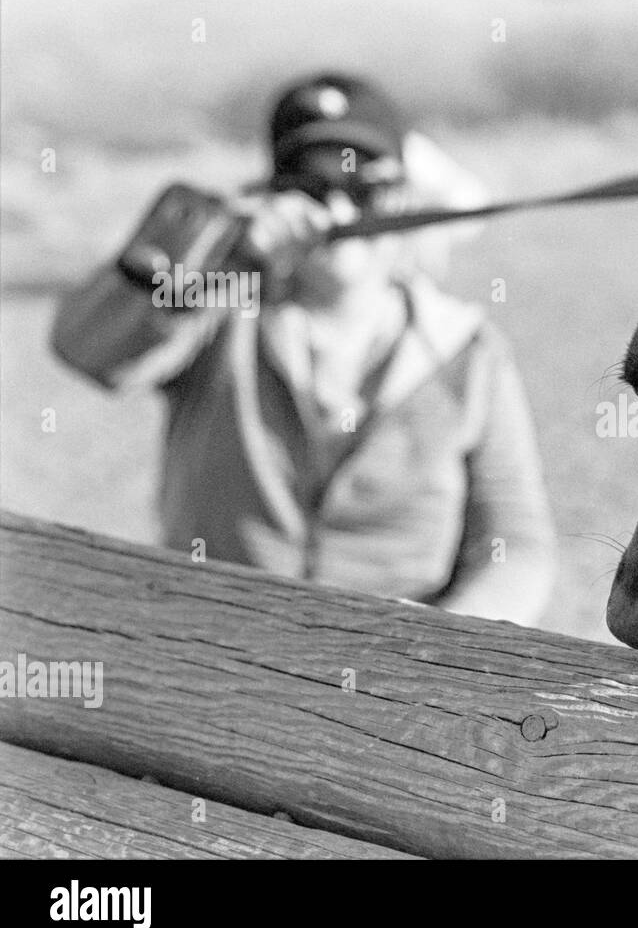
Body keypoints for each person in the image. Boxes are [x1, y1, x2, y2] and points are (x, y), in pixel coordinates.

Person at [50, 72, 557, 625]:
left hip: (402, 669)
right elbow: (85, 348)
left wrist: (450, 644)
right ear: (270, 195)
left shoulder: (468, 351)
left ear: (405, 198)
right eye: (312, 189)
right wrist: (213, 251)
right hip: (209, 646)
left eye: (364, 189)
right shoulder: (218, 314)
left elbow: (516, 543)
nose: (339, 211)